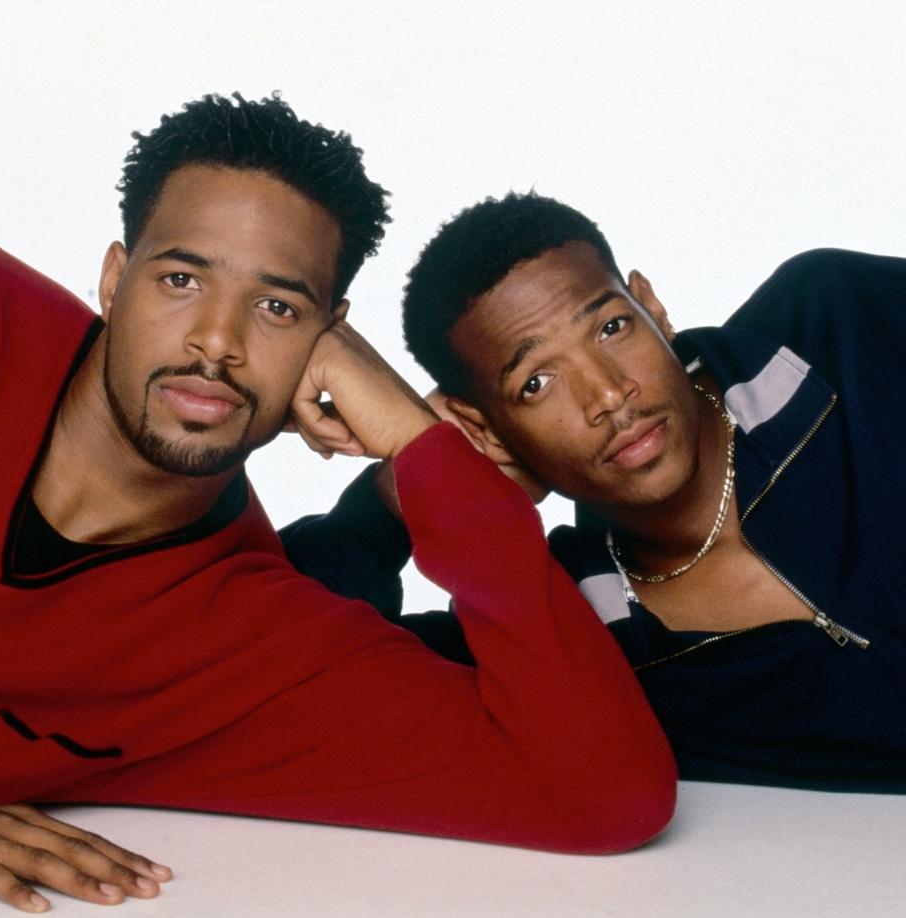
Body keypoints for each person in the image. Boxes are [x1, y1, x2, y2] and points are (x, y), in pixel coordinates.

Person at [0, 100, 676, 913]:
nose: (217, 340)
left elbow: (603, 794)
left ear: (331, 343)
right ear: (116, 280)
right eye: (181, 280)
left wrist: (415, 441)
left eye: (277, 308)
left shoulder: (260, 643)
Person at [283, 191, 906, 794]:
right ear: (486, 429)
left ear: (652, 309)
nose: (607, 395)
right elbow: (291, 673)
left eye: (611, 327)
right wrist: (399, 487)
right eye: (537, 382)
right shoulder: (568, 635)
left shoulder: (842, 323)